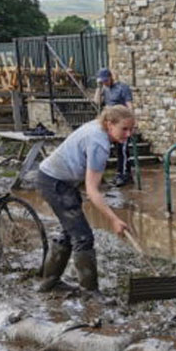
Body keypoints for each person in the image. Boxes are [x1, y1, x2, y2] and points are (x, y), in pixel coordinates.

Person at [35, 105, 134, 293]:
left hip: (59, 179)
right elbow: (92, 190)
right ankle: (90, 293)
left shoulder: (98, 128)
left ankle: (49, 282)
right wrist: (114, 219)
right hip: (55, 182)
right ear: (109, 123)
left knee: (69, 231)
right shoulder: (99, 143)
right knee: (83, 237)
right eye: (124, 129)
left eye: (131, 129)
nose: (128, 134)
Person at [93, 68, 134, 186]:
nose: (105, 83)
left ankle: (124, 174)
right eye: (103, 81)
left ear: (111, 77)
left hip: (122, 123)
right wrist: (98, 87)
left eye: (106, 80)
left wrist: (131, 124)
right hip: (110, 124)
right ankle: (121, 173)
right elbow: (97, 102)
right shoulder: (104, 89)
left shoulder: (122, 88)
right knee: (116, 150)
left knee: (123, 149)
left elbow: (129, 105)